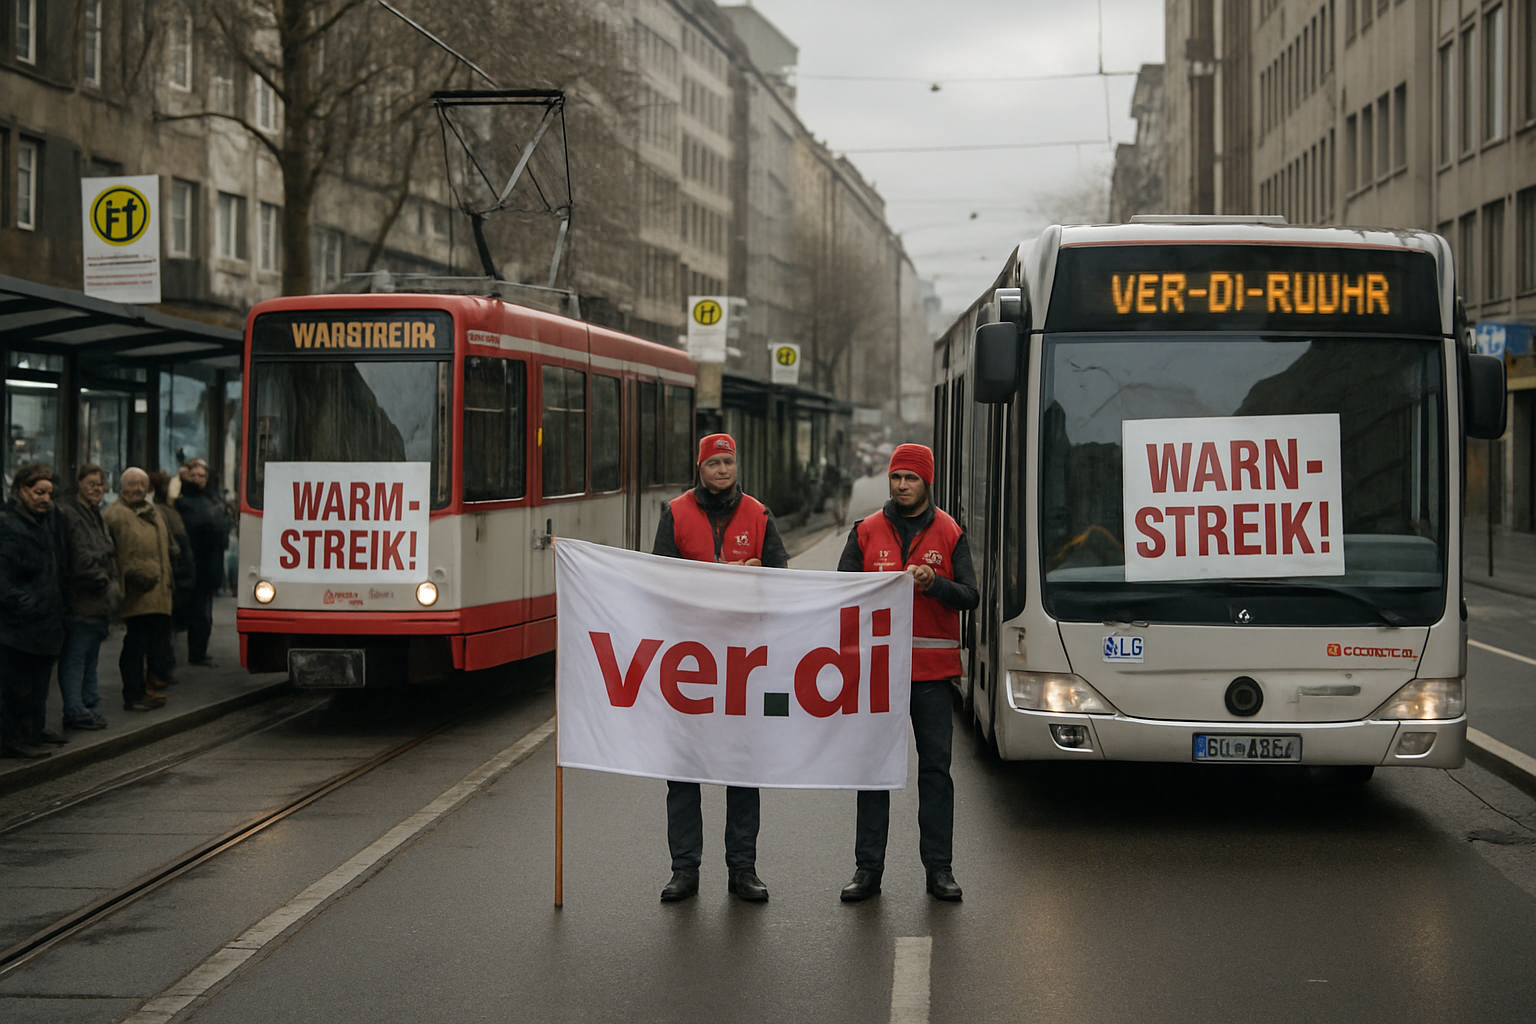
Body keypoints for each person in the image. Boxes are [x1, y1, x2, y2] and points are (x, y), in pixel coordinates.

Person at [651, 432, 790, 903]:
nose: (723, 470)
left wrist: (758, 578)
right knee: (683, 769)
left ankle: (742, 869)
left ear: (737, 466)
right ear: (700, 468)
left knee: (741, 766)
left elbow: (781, 582)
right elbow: (660, 581)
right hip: (688, 664)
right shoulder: (675, 514)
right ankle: (684, 871)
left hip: (741, 663)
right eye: (714, 464)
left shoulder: (759, 514)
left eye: (729, 462)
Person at [836, 443, 977, 903]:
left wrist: (935, 585)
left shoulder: (950, 533)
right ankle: (867, 870)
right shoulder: (866, 532)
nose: (900, 486)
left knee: (936, 773)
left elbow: (970, 596)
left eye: (910, 479)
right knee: (873, 772)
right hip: (878, 675)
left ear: (926, 482)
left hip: (932, 677)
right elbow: (839, 593)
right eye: (896, 477)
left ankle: (940, 870)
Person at [0, 463, 68, 758]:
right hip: (18, 625)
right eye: (39, 492)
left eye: (49, 493)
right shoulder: (9, 524)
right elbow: (5, 581)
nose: (45, 499)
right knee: (16, 687)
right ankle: (13, 739)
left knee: (39, 684)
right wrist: (30, 606)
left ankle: (33, 730)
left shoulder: (49, 520)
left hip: (45, 620)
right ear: (23, 490)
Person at [105, 468, 177, 711]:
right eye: (132, 483)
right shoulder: (115, 515)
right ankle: (133, 694)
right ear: (122, 488)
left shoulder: (153, 512)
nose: (138, 488)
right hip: (136, 591)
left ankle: (145, 688)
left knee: (152, 642)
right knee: (135, 644)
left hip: (158, 590)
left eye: (142, 484)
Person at [55, 463, 119, 731]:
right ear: (79, 484)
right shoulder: (71, 515)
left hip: (97, 603)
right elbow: (81, 560)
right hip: (81, 600)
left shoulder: (97, 516)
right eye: (91, 483)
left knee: (90, 659)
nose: (97, 489)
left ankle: (90, 705)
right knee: (75, 658)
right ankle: (75, 709)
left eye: (100, 484)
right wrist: (103, 579)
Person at [175, 458, 230, 665]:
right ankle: (195, 653)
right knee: (195, 612)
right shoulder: (183, 500)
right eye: (194, 475)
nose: (198, 479)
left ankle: (198, 651)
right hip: (192, 563)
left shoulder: (210, 498)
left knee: (203, 612)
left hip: (208, 564)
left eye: (202, 475)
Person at [150, 469, 196, 664]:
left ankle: (165, 664)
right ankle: (162, 665)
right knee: (163, 628)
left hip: (181, 571)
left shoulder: (172, 509)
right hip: (175, 573)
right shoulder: (161, 511)